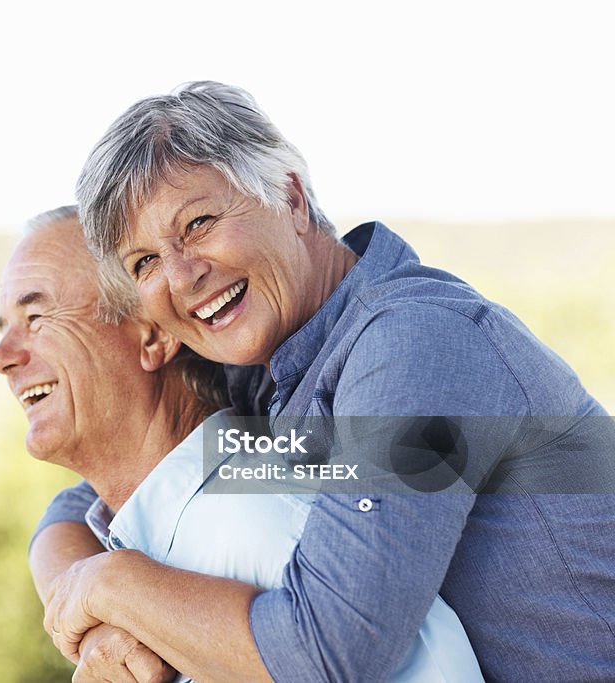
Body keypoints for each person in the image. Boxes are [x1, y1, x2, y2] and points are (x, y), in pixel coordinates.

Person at [36, 82, 615, 681]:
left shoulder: (412, 342)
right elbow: (85, 499)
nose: (182, 277)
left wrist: (110, 585)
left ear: (289, 198)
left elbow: (330, 653)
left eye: (199, 223)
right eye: (145, 263)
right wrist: (78, 602)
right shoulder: (260, 369)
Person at [0, 207, 484, 682]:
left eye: (36, 317)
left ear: (151, 336)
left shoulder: (261, 525)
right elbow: (69, 511)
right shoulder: (156, 530)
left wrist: (105, 585)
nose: (0, 358)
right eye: (5, 329)